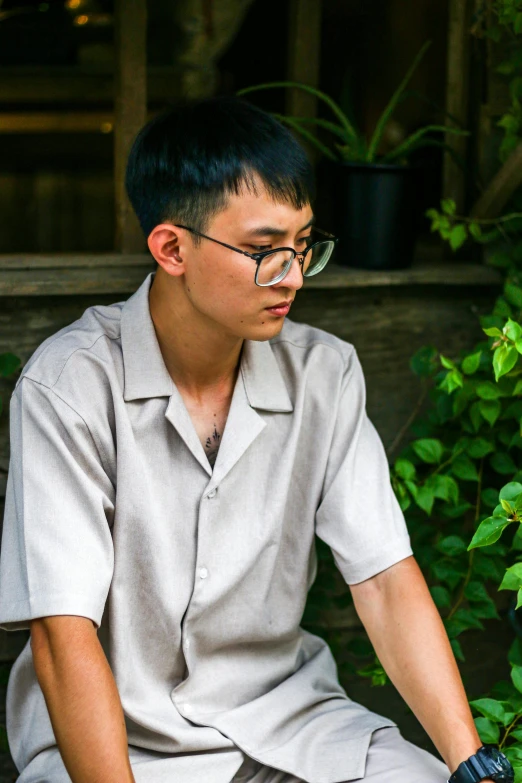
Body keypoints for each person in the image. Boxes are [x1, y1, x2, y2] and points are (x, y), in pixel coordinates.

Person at [0, 96, 500, 783]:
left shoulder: (325, 373)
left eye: (303, 245)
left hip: (293, 725)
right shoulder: (68, 387)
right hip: (122, 748)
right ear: (172, 247)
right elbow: (63, 634)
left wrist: (473, 763)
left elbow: (383, 578)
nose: (293, 275)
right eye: (264, 251)